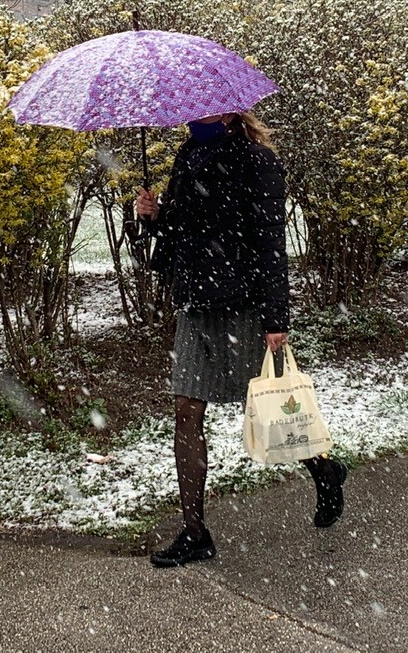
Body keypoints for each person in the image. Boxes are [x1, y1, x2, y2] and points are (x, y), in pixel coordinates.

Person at [136, 110, 347, 568]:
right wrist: (154, 217)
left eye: (203, 107)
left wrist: (276, 319)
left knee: (272, 409)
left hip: (243, 305)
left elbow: (270, 243)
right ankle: (195, 533)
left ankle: (325, 469)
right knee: (186, 409)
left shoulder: (258, 163)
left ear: (229, 109)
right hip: (194, 304)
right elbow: (180, 231)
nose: (194, 115)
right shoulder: (188, 155)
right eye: (189, 109)